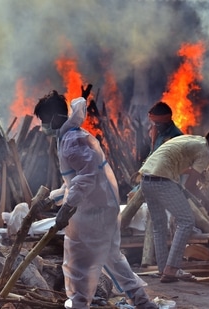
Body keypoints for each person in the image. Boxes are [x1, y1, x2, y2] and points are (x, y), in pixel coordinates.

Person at [33, 89, 157, 309]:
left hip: (94, 213)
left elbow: (86, 178)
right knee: (113, 259)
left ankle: (80, 304)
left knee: (79, 263)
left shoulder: (72, 141)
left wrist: (67, 207)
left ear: (53, 117)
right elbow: (75, 181)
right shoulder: (72, 136)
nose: (43, 125)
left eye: (43, 120)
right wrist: (54, 199)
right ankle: (143, 303)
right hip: (100, 208)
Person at [138, 131, 209, 283]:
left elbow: (176, 163)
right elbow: (190, 186)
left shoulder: (192, 139)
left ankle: (163, 269)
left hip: (146, 179)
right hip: (162, 181)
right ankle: (172, 268)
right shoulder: (205, 150)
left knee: (159, 225)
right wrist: (208, 202)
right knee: (186, 221)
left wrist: (196, 173)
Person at [128, 101, 183, 200]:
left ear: (166, 121)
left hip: (166, 184)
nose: (154, 125)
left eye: (157, 123)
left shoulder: (176, 137)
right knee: (131, 197)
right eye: (153, 123)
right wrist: (141, 172)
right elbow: (152, 155)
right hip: (151, 180)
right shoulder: (158, 132)